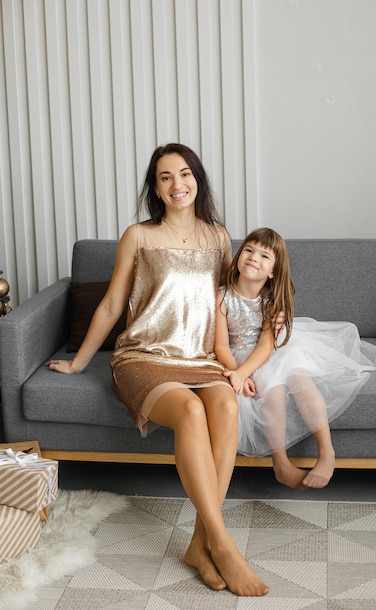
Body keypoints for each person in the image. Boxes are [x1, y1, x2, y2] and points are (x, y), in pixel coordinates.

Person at [46, 144, 269, 597]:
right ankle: (222, 544)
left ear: (197, 180)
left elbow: (229, 306)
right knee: (189, 412)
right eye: (165, 177)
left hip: (200, 359)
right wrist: (79, 362)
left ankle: (198, 542)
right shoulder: (139, 236)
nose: (177, 184)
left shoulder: (219, 238)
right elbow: (112, 304)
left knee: (226, 405)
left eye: (184, 174)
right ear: (155, 187)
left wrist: (241, 365)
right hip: (144, 356)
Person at [215, 227, 376, 490]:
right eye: (249, 250)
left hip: (274, 350)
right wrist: (239, 372)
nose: (253, 258)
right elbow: (221, 346)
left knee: (301, 380)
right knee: (273, 393)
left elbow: (266, 345)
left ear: (273, 271)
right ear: (238, 256)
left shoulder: (274, 299)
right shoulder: (222, 297)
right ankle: (280, 464)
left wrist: (243, 373)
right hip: (238, 356)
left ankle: (327, 453)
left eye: (264, 256)